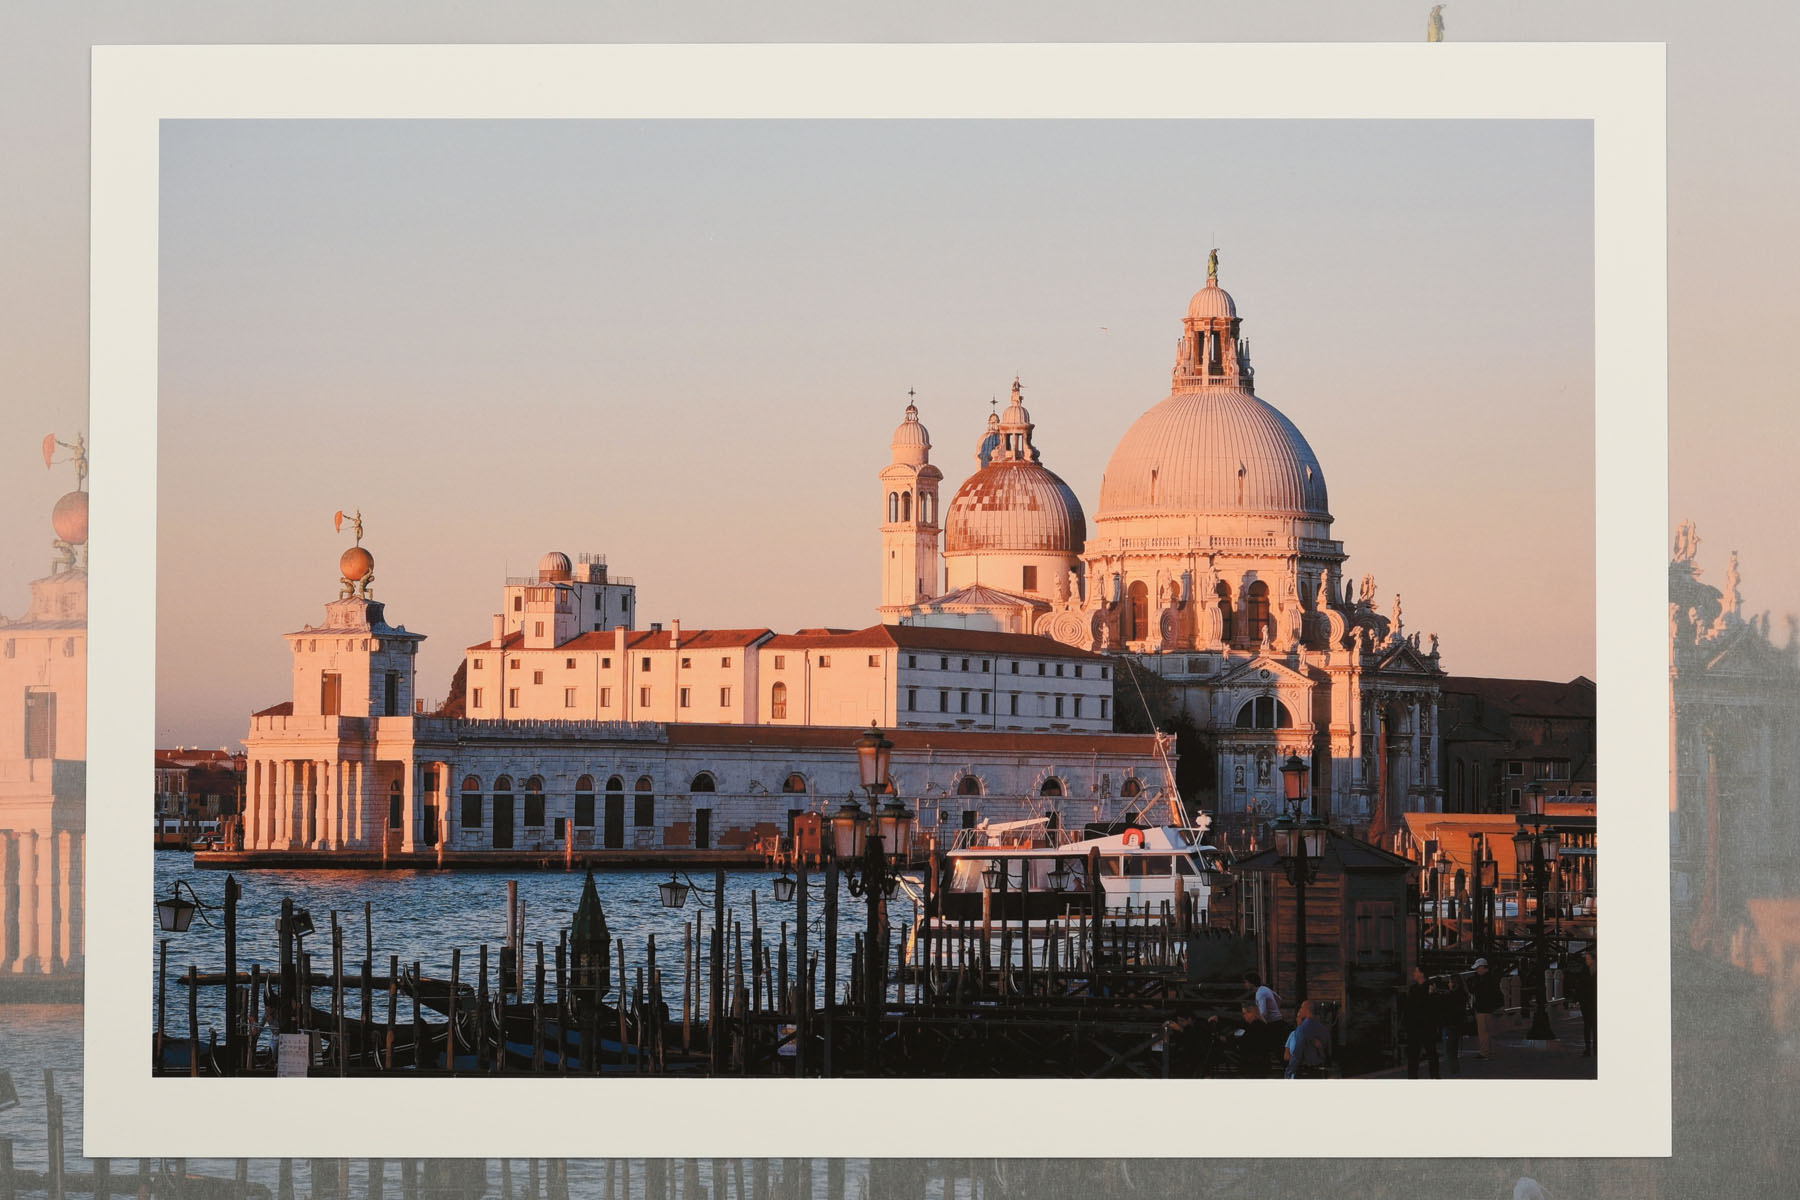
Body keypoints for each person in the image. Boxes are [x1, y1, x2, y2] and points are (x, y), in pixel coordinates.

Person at [1402, 966, 1440, 1079]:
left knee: (1430, 1053)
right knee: (1414, 1054)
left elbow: (1432, 1007)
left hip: (1426, 1025)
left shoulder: (1430, 987)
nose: (1414, 973)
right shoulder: (1414, 988)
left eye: (1416, 971)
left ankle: (1434, 1076)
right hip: (1416, 1026)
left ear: (1421, 974)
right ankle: (1413, 1076)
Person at [1284, 999, 1329, 1078]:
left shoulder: (1301, 1029)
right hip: (1319, 1072)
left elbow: (1297, 1055)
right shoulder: (1324, 1029)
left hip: (1304, 1072)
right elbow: (1327, 1053)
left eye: (1301, 1008)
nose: (1300, 1010)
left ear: (1306, 1010)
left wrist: (1289, 1072)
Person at [1468, 957, 1503, 1060]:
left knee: (1483, 1032)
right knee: (1489, 1031)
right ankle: (1489, 1051)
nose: (1477, 970)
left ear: (1483, 967)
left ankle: (1484, 1052)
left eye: (1478, 968)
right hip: (1489, 1008)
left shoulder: (1483, 980)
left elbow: (1477, 991)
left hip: (1483, 1008)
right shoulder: (1491, 978)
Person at [1436, 972, 1470, 1076]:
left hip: (1450, 1025)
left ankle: (1454, 1073)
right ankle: (1455, 1072)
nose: (1448, 984)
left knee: (1449, 1053)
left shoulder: (1452, 996)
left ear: (1454, 983)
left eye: (1450, 982)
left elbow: (1443, 1004)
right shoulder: (1462, 994)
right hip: (1458, 1025)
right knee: (1453, 1051)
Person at [1569, 949, 1597, 1056]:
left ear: (1593, 960)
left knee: (1595, 1025)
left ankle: (1595, 1047)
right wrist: (1575, 1000)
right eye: (1586, 959)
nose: (1586, 961)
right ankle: (1588, 1048)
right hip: (1586, 1001)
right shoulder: (1584, 970)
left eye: (1588, 959)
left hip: (1595, 1001)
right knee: (1587, 1025)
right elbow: (1579, 986)